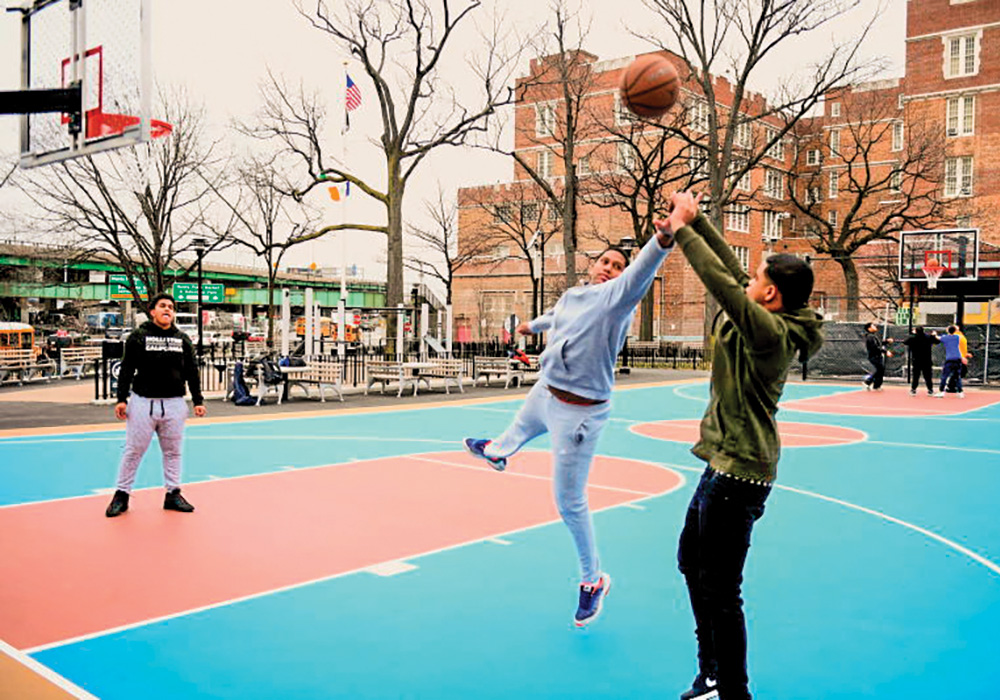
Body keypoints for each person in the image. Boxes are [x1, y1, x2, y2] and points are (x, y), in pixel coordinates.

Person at [463, 227, 677, 628]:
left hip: (578, 412)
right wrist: (531, 327)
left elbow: (643, 270)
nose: (610, 269)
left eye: (618, 266)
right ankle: (497, 452)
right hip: (547, 391)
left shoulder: (618, 301)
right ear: (594, 266)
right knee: (515, 431)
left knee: (569, 502)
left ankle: (593, 581)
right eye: (605, 262)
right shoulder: (574, 295)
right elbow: (559, 315)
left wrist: (663, 239)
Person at [658, 192, 824, 700]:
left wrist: (685, 231)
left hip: (741, 474)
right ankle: (711, 674)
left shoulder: (769, 333)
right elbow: (732, 272)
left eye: (758, 280)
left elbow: (722, 285)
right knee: (691, 561)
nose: (748, 282)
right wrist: (700, 219)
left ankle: (733, 692)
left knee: (722, 592)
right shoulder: (771, 313)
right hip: (724, 466)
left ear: (771, 295)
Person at [105, 293, 207, 517]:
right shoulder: (138, 337)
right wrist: (121, 399)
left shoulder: (182, 339)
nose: (167, 310)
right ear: (152, 311)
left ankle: (173, 493)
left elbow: (191, 371)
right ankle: (121, 494)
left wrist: (198, 400)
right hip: (143, 403)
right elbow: (126, 369)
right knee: (133, 450)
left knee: (173, 452)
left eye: (171, 307)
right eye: (162, 306)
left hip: (174, 404)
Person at [903, 326, 940, 396]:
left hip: (916, 360)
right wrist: (934, 335)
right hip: (927, 360)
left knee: (916, 376)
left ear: (916, 331)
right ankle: (930, 390)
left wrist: (913, 334)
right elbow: (937, 341)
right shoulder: (928, 337)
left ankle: (913, 389)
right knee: (928, 376)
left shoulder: (913, 338)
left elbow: (905, 342)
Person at [936, 325, 965, 398]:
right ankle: (960, 392)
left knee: (944, 376)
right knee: (957, 376)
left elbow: (938, 337)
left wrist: (934, 334)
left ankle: (941, 391)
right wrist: (956, 329)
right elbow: (959, 334)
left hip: (950, 359)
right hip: (957, 358)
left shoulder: (945, 338)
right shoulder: (958, 337)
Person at [862, 322, 890, 391]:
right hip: (874, 356)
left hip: (877, 356)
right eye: (873, 326)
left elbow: (879, 344)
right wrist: (885, 352)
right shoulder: (870, 337)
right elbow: (875, 347)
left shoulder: (873, 336)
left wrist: (886, 341)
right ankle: (868, 382)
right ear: (869, 328)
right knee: (879, 370)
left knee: (880, 370)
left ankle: (876, 386)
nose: (875, 326)